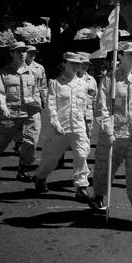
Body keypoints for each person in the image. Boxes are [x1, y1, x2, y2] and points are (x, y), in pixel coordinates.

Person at [89, 42, 132, 223]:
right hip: (113, 133)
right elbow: (101, 108)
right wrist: (107, 129)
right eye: (130, 54)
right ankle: (98, 197)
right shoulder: (110, 79)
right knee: (105, 168)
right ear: (120, 57)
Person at [33, 52, 92, 201]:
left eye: (77, 64)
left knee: (81, 154)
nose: (75, 66)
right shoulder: (55, 83)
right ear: (64, 63)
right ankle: (40, 176)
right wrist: (55, 123)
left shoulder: (83, 84)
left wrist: (87, 122)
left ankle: (81, 186)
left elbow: (85, 106)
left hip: (78, 125)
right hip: (61, 127)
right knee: (51, 157)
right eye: (72, 63)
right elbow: (51, 105)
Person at [0, 42, 42, 181]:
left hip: (31, 112)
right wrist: (2, 106)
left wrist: (38, 102)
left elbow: (38, 89)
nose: (22, 54)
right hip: (11, 112)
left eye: (24, 51)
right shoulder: (4, 72)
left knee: (31, 141)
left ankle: (23, 169)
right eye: (18, 51)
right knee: (1, 142)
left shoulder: (34, 71)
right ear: (12, 53)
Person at [12, 45, 47, 154]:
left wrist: (45, 100)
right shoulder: (15, 67)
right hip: (19, 100)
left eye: (34, 53)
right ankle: (19, 141)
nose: (33, 55)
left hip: (34, 101)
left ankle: (28, 146)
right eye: (30, 52)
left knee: (34, 125)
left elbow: (43, 86)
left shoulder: (39, 68)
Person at [76, 53, 99, 145]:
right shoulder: (70, 78)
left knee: (86, 136)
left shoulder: (92, 80)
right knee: (69, 137)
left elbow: (95, 97)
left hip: (87, 113)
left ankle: (83, 157)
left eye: (87, 64)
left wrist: (97, 112)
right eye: (83, 63)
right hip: (74, 112)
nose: (85, 66)